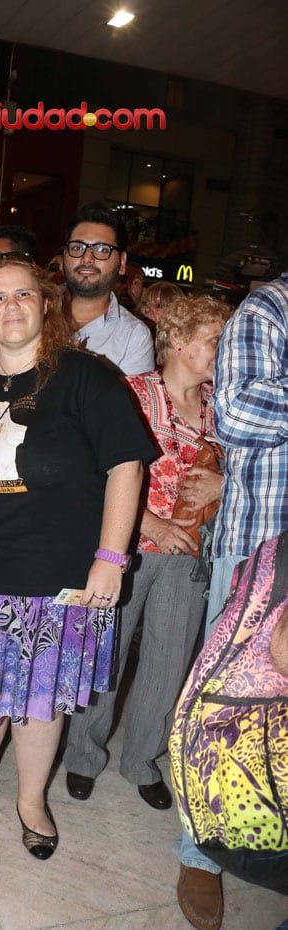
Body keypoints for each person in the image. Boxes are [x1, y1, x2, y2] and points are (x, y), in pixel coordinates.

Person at [0, 255, 154, 858]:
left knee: (35, 696)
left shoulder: (85, 376)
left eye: (22, 295)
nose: (11, 307)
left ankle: (32, 800)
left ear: (45, 303)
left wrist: (112, 556)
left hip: (51, 576)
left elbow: (126, 465)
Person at [64, 297, 229, 810]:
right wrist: (150, 523)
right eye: (214, 340)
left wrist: (221, 485)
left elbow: (251, 467)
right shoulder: (133, 394)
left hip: (191, 556)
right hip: (127, 548)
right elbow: (94, 474)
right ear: (179, 339)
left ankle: (141, 761)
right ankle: (81, 756)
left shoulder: (222, 407)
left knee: (168, 661)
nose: (222, 352)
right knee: (106, 656)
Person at [174, 272, 288, 930]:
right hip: (260, 548)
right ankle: (201, 851)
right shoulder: (268, 310)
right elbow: (240, 411)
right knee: (225, 711)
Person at [63, 202, 155, 375]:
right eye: (77, 247)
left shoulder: (134, 337)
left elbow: (124, 402)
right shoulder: (33, 309)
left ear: (122, 263)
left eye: (102, 250)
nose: (87, 258)